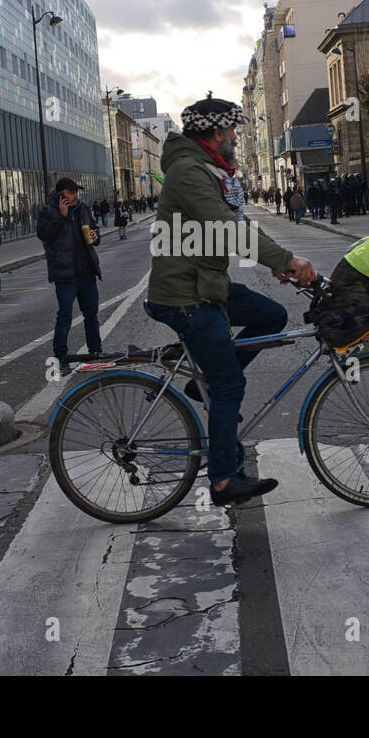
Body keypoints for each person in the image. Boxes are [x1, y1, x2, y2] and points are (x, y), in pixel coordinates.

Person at [146, 91, 316, 507]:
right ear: (217, 132)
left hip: (207, 284)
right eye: (233, 130)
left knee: (271, 316)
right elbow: (226, 227)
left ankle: (199, 380)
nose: (236, 136)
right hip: (186, 294)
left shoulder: (209, 168)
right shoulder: (189, 171)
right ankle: (222, 481)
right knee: (229, 386)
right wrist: (288, 259)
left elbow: (235, 225)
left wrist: (276, 264)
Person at [37, 178, 102, 373]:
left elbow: (93, 229)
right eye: (70, 192)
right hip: (65, 274)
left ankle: (96, 352)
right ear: (60, 194)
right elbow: (44, 235)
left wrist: (95, 236)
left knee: (92, 314)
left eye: (76, 192)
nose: (75, 196)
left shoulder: (83, 209)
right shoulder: (48, 212)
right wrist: (61, 216)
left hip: (86, 271)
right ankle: (60, 357)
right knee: (64, 316)